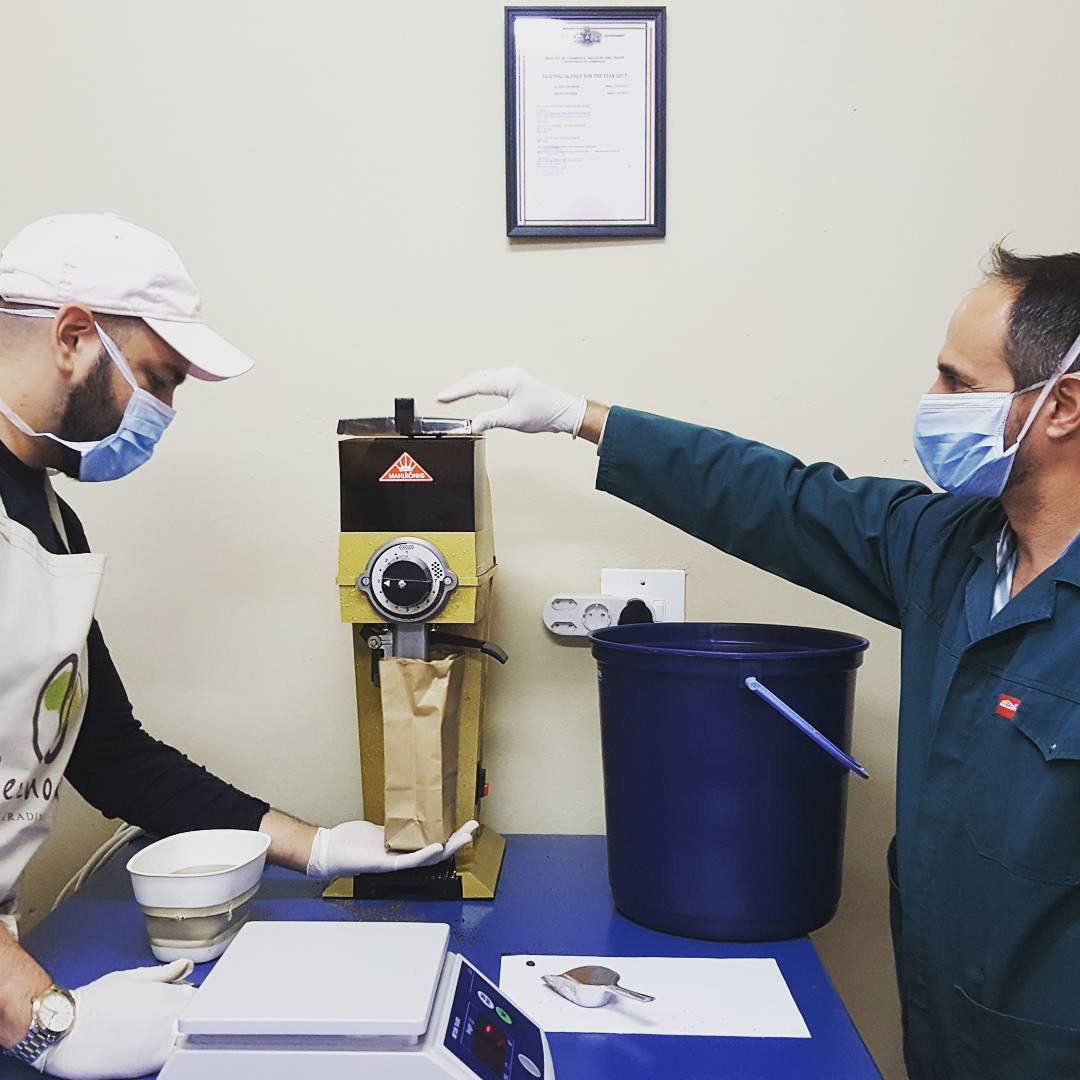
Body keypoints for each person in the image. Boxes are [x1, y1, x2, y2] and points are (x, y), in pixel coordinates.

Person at [440, 247, 1080, 1080]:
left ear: (1062, 405)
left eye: (959, 385)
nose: (933, 402)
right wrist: (581, 417)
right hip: (944, 1024)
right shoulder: (952, 549)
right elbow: (779, 498)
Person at [0, 213, 476, 1079]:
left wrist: (316, 847)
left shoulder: (47, 519)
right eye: (159, 379)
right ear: (72, 337)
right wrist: (40, 1019)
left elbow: (111, 754)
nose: (164, 411)